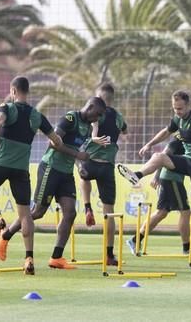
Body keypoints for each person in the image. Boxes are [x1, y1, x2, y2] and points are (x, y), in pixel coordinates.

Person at [0, 97, 108, 270]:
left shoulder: (87, 128)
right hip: (50, 168)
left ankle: (56, 258)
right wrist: (78, 156)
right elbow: (53, 144)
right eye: (98, 114)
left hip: (66, 173)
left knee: (70, 213)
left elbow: (75, 151)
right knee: (37, 212)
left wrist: (80, 166)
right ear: (91, 107)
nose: (98, 118)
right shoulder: (70, 119)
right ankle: (6, 235)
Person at [117, 90, 191, 257]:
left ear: (188, 106)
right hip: (184, 164)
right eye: (174, 108)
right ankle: (137, 175)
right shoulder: (178, 121)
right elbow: (165, 135)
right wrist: (149, 144)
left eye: (180, 108)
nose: (177, 112)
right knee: (159, 157)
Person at [0, 76, 62, 274]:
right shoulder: (37, 116)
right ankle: (29, 259)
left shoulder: (7, 108)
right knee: (25, 214)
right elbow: (57, 140)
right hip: (21, 169)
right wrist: (54, 143)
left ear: (13, 91)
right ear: (28, 92)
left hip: (1, 163)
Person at [78, 83, 127, 265]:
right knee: (109, 212)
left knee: (82, 172)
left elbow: (94, 127)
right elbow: (125, 131)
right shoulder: (118, 116)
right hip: (107, 167)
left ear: (99, 97)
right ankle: (109, 254)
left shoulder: (93, 115)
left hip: (90, 163)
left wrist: (95, 136)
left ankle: (87, 206)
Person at [127, 141, 191, 256]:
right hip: (172, 179)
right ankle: (187, 247)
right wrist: (156, 176)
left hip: (169, 179)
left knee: (161, 213)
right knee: (185, 212)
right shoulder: (178, 141)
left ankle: (135, 240)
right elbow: (163, 155)